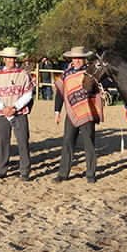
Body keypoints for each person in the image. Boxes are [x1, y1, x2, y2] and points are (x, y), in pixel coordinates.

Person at [52, 46, 104, 184]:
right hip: (71, 113)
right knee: (67, 142)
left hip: (87, 111)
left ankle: (91, 174)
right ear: (71, 59)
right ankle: (63, 173)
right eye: (75, 58)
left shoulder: (90, 72)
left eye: (80, 58)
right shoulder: (66, 74)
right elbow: (60, 94)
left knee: (89, 144)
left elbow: (98, 88)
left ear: (84, 58)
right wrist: (57, 112)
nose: (77, 61)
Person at [0, 47, 34, 181]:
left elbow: (28, 93)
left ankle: (25, 170)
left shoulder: (24, 75)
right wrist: (2, 108)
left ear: (16, 59)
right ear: (4, 59)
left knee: (22, 141)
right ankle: (2, 169)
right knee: (2, 142)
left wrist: (15, 107)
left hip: (19, 113)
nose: (10, 60)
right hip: (2, 114)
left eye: (13, 58)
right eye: (8, 58)